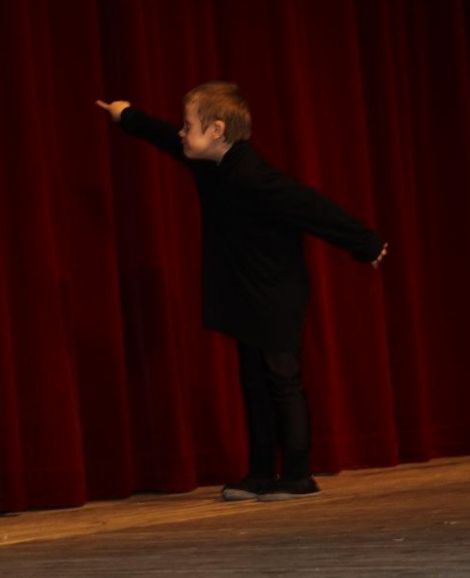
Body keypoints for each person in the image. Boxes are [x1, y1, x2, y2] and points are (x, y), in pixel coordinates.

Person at [96, 82, 388, 501]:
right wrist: (126, 116)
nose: (181, 132)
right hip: (245, 290)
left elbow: (311, 207)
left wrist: (365, 243)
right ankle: (260, 473)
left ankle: (298, 475)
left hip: (276, 293)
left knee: (281, 379)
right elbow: (165, 138)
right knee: (254, 382)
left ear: (217, 130)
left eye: (188, 125)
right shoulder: (210, 166)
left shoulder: (253, 176)